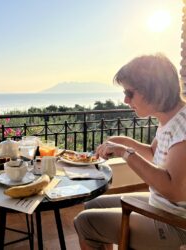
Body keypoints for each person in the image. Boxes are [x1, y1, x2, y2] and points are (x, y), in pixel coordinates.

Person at [74, 54, 186, 250]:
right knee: (92, 204)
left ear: (155, 90)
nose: (125, 100)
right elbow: (153, 153)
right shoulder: (170, 119)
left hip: (176, 222)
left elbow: (173, 190)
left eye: (129, 92)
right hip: (162, 204)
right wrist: (121, 142)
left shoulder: (183, 125)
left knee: (85, 222)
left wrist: (126, 153)